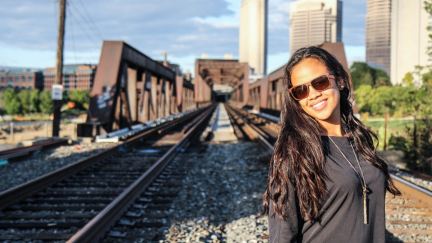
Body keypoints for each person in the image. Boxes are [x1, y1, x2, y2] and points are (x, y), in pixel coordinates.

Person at [263, 46, 400, 243]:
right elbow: (283, 234)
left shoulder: (360, 140)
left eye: (320, 82)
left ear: (340, 81)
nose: (312, 94)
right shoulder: (294, 152)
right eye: (301, 91)